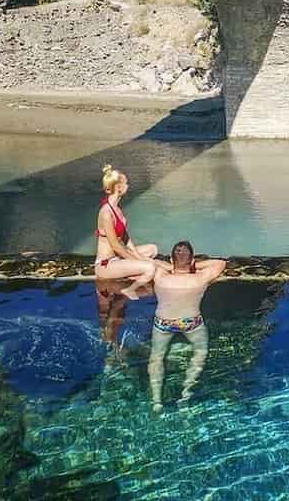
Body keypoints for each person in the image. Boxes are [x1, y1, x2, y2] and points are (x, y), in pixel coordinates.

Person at [147, 241, 226, 411]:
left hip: (164, 322)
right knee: (200, 352)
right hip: (190, 323)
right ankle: (186, 393)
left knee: (156, 357)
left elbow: (150, 262)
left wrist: (170, 265)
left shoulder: (160, 275)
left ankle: (156, 401)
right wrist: (194, 264)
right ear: (191, 261)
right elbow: (221, 263)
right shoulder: (200, 277)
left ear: (170, 259)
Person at [94, 164, 170, 299]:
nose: (128, 186)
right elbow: (116, 246)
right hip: (106, 264)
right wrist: (136, 259)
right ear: (118, 187)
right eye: (126, 183)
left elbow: (125, 237)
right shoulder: (106, 213)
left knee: (152, 249)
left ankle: (131, 270)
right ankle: (130, 289)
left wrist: (136, 254)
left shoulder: (116, 208)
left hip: (117, 258)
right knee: (149, 268)